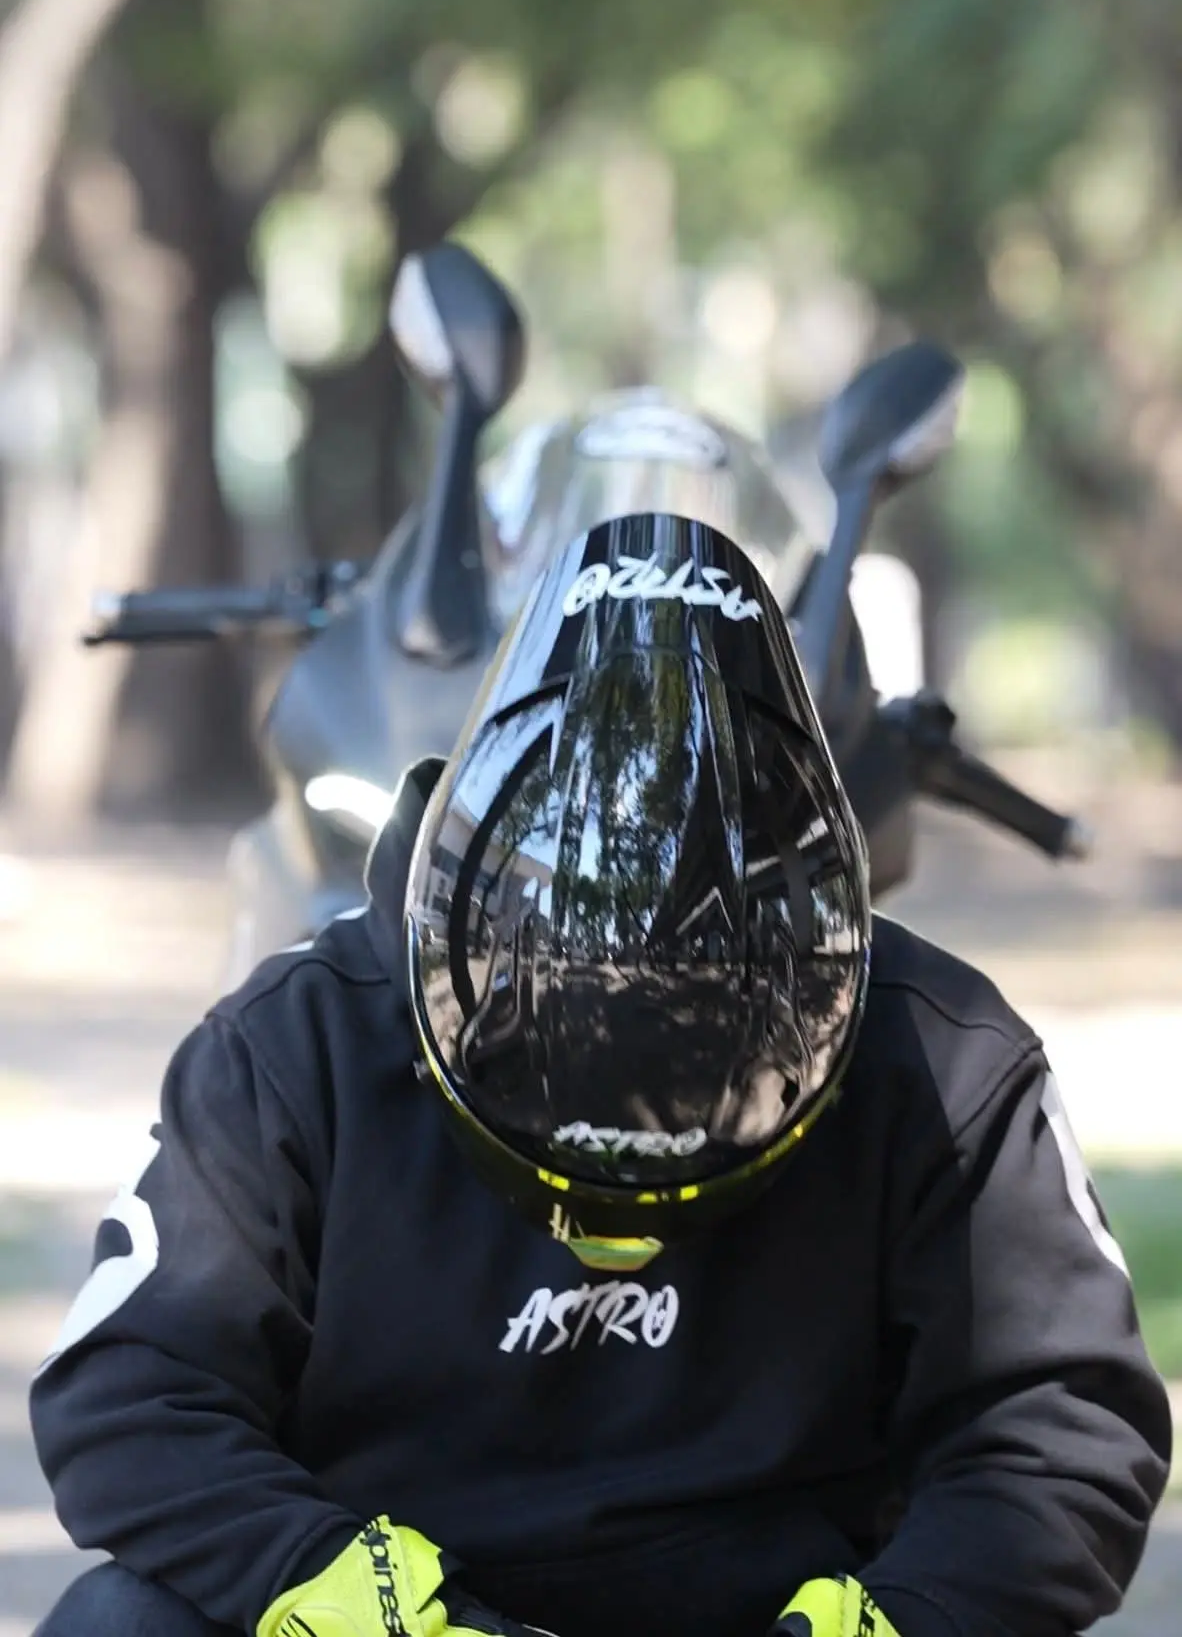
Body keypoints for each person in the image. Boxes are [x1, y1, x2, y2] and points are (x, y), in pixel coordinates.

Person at [30, 514, 1171, 1637]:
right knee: (117, 1621)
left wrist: (899, 1616)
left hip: (787, 1604)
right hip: (397, 1601)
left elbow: (1064, 1418)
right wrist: (357, 1598)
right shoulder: (299, 1041)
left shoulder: (945, 1055)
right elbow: (131, 1388)